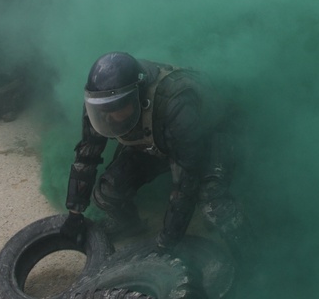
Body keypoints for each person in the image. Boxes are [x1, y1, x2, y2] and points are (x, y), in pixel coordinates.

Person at [59, 52, 253, 261]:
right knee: (108, 191)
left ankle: (252, 255)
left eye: (116, 109)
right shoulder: (102, 102)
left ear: (138, 97)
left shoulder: (175, 104)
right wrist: (74, 212)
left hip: (210, 133)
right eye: (103, 111)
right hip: (159, 141)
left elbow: (186, 183)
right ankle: (129, 224)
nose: (108, 116)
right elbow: (86, 156)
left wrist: (167, 242)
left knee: (212, 201)